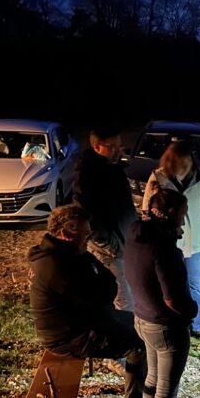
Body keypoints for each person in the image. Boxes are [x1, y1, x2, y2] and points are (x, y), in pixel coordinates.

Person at [28, 204, 146, 398]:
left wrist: (102, 285)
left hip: (83, 322)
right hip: (67, 336)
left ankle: (144, 390)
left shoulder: (67, 254)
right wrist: (102, 287)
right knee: (140, 341)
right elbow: (100, 296)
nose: (89, 240)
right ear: (66, 233)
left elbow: (106, 281)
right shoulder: (56, 265)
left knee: (140, 323)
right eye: (86, 235)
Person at [126, 189, 197, 398]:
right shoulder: (165, 249)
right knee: (166, 392)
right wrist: (192, 311)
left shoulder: (136, 235)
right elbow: (173, 300)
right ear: (171, 214)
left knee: (152, 380)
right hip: (166, 327)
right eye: (183, 214)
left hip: (142, 319)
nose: (184, 220)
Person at [141, 138, 200, 340]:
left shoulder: (199, 176)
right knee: (167, 285)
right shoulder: (157, 178)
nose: (184, 165)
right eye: (180, 160)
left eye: (187, 160)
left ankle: (198, 326)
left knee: (194, 285)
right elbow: (147, 210)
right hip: (167, 243)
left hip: (194, 242)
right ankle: (170, 323)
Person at [73, 125, 138, 312]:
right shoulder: (87, 174)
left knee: (131, 296)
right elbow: (85, 213)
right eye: (112, 147)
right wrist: (106, 243)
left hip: (124, 244)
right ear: (97, 147)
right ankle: (125, 331)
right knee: (123, 300)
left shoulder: (114, 168)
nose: (118, 151)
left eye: (120, 146)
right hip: (110, 250)